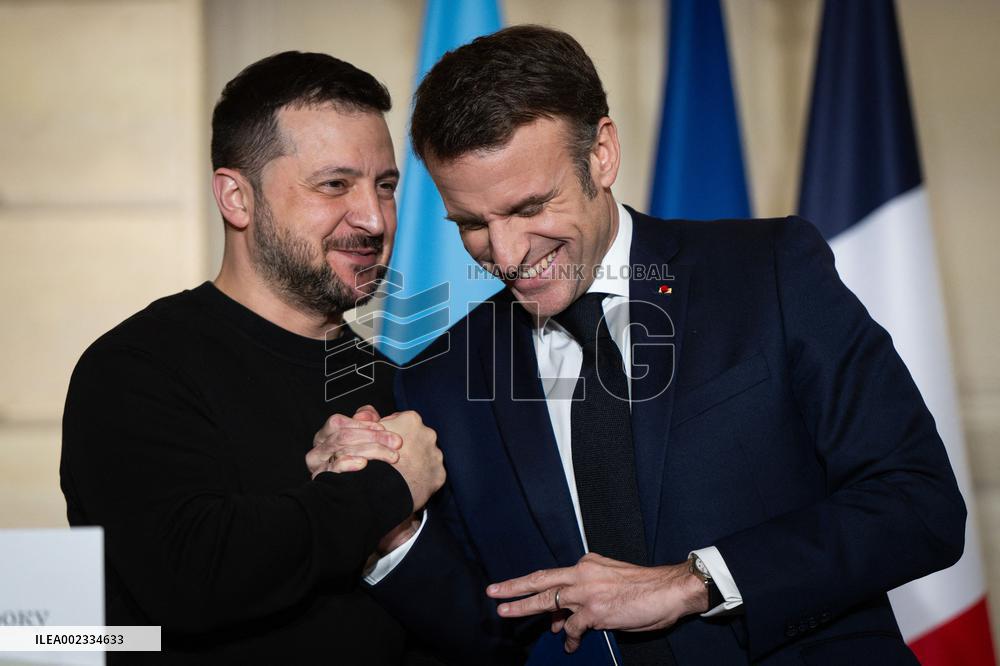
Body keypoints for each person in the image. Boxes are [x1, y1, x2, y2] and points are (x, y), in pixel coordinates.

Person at [325, 26, 966, 665]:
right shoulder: (441, 375)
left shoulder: (768, 271)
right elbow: (490, 631)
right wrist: (394, 530)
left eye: (529, 208)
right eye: (471, 223)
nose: (507, 254)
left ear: (601, 153)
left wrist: (695, 582)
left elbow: (919, 504)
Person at [60, 51, 445, 664]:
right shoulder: (136, 370)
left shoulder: (405, 388)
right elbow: (192, 579)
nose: (374, 217)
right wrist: (386, 490)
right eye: (334, 184)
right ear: (237, 199)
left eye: (386, 186)